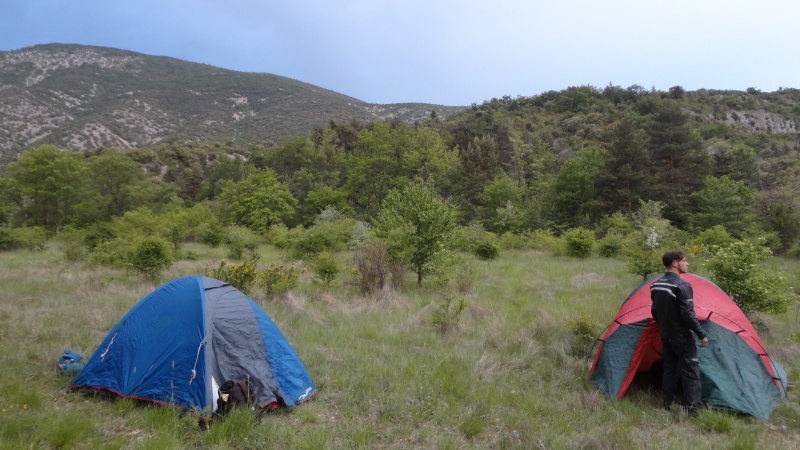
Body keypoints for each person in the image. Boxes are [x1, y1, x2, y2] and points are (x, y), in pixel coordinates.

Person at [650, 250, 708, 415]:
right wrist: (701, 334)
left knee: (669, 369)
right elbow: (688, 314)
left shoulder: (656, 284)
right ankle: (693, 409)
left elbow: (655, 311)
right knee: (691, 371)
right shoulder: (682, 285)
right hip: (682, 336)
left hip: (666, 335)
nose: (687, 263)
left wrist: (666, 325)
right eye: (684, 260)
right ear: (675, 263)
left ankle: (668, 404)